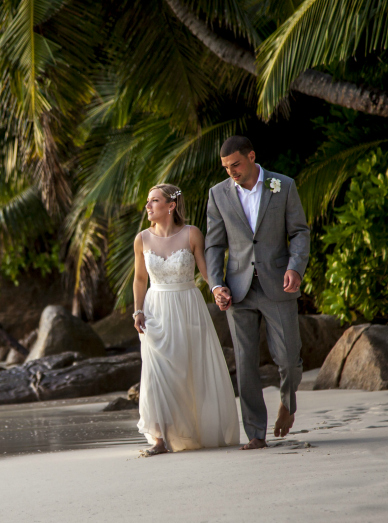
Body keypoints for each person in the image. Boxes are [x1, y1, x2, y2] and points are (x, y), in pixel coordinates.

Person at [205, 136, 310, 450]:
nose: (231, 172)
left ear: (251, 156)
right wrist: (215, 284)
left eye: (236, 164)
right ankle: (255, 434)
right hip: (238, 289)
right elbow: (214, 244)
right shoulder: (218, 194)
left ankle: (287, 404)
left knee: (289, 359)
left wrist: (295, 267)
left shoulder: (280, 185)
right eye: (226, 168)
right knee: (245, 363)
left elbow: (299, 232)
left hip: (277, 283)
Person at [132, 183, 240, 457]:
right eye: (148, 201)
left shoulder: (192, 234)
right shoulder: (141, 239)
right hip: (155, 310)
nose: (148, 206)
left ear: (170, 206)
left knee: (186, 371)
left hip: (187, 307)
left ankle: (189, 430)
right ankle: (159, 439)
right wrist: (137, 310)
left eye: (154, 201)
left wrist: (218, 290)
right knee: (156, 374)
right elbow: (140, 278)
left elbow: (205, 271)